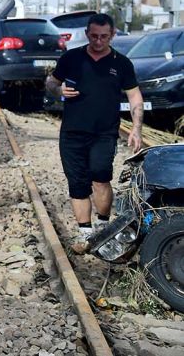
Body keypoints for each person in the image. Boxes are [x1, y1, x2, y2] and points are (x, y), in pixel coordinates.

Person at [45, 13, 143, 254]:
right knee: (77, 183)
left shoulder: (121, 63)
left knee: (100, 177)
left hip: (104, 132)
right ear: (87, 34)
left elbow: (134, 96)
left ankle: (103, 225)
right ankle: (85, 234)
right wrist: (60, 89)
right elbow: (50, 82)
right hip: (72, 132)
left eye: (104, 37)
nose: (99, 41)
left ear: (112, 35)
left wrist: (136, 129)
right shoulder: (72, 58)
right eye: (94, 36)